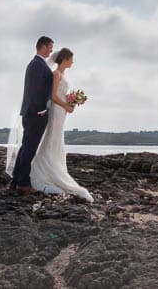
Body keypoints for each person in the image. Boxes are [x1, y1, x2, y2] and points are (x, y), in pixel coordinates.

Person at [27, 47, 93, 201]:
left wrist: (72, 101)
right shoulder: (56, 74)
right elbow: (53, 95)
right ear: (65, 59)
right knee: (51, 138)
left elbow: (62, 94)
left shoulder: (63, 74)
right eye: (71, 59)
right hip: (56, 110)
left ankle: (53, 163)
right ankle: (46, 169)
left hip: (61, 111)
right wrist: (65, 105)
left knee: (56, 139)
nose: (73, 62)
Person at [6, 36, 55, 195]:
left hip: (32, 112)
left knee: (26, 147)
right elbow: (34, 90)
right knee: (29, 148)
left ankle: (16, 180)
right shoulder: (37, 65)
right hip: (35, 113)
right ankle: (23, 183)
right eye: (49, 47)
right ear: (42, 46)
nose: (51, 50)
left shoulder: (37, 64)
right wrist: (40, 109)